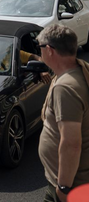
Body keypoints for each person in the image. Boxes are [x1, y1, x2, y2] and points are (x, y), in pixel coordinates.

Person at [37, 24, 89, 201]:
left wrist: (64, 188)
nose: (40, 52)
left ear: (50, 50)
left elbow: (71, 143)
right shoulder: (79, 70)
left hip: (72, 186)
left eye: (41, 48)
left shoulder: (65, 87)